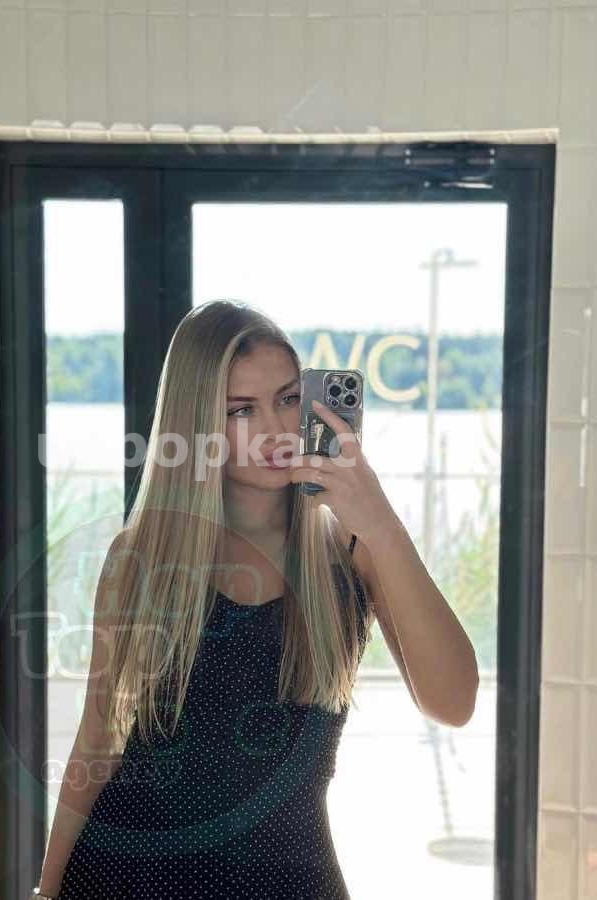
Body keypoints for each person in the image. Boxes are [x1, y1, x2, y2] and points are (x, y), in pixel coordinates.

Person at [33, 300, 379, 900]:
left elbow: (453, 700)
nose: (275, 430)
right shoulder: (139, 557)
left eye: (288, 399)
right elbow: (98, 738)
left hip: (291, 878)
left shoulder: (351, 550)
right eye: (240, 410)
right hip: (128, 876)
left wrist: (374, 512)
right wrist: (46, 889)